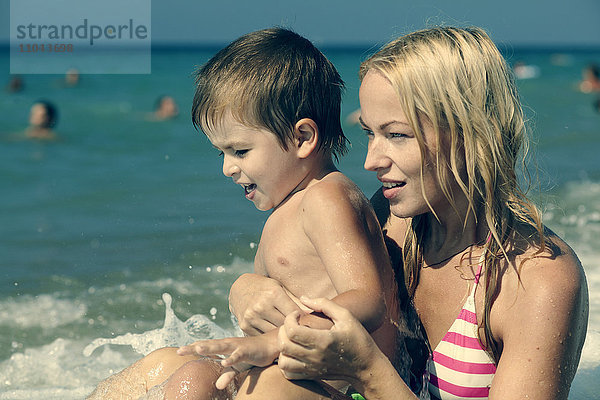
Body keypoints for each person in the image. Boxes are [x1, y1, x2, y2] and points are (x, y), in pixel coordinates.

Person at [206, 27, 589, 400]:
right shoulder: (390, 223)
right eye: (370, 133)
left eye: (398, 135)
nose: (371, 160)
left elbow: (368, 364)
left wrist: (367, 372)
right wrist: (244, 290)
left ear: (472, 134)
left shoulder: (538, 281)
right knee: (186, 376)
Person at [87, 28, 401, 400]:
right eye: (221, 153)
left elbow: (367, 301)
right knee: (164, 366)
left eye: (239, 150)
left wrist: (274, 342)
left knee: (203, 384)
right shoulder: (290, 206)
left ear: (302, 138)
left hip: (348, 385)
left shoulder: (326, 199)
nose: (227, 169)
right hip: (291, 371)